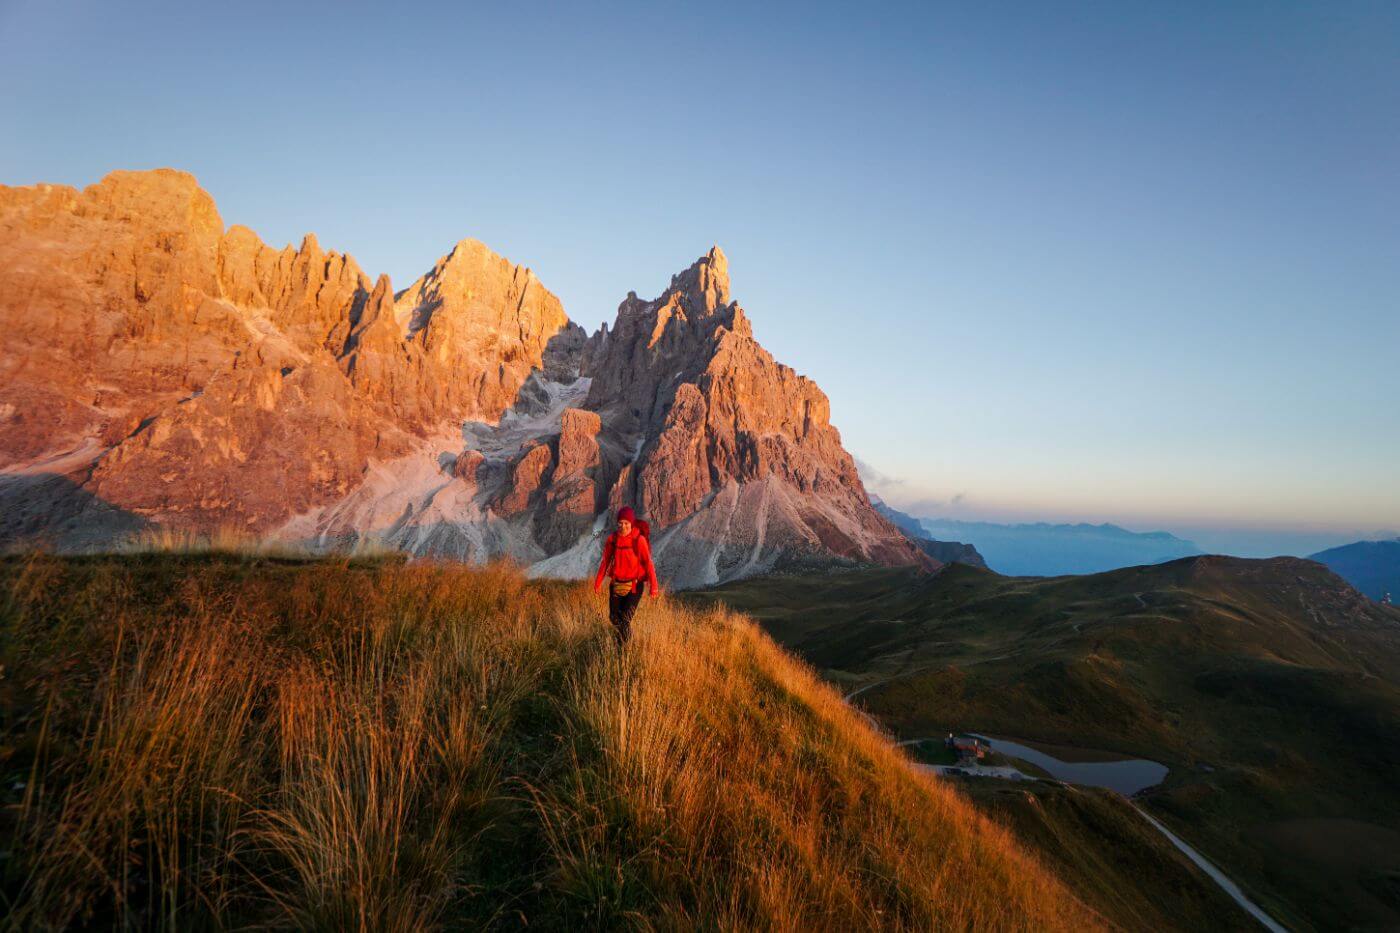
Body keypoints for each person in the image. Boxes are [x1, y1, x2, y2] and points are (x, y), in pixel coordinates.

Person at [593, 506, 660, 645]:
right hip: (616, 584)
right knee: (614, 618)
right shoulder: (612, 539)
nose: (623, 526)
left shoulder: (638, 540)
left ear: (631, 523)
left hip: (634, 585)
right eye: (620, 523)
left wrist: (654, 587)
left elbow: (648, 563)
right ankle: (625, 645)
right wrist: (598, 583)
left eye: (626, 523)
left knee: (625, 618)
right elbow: (605, 562)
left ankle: (624, 648)